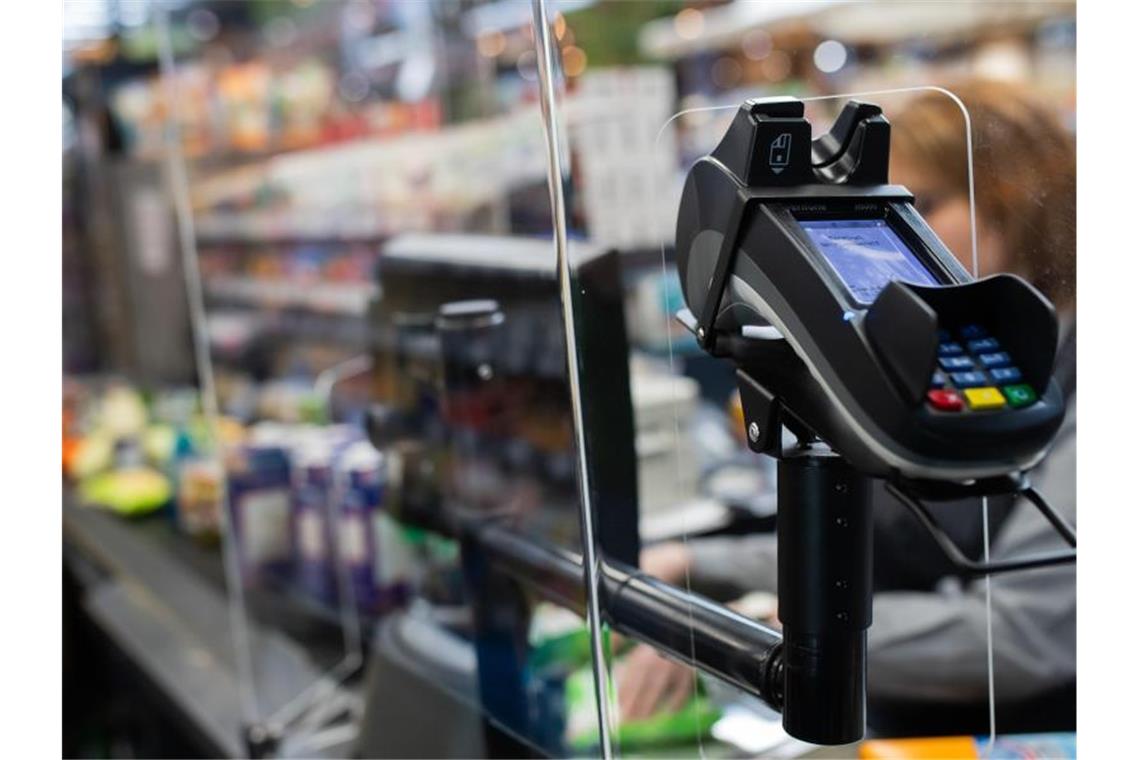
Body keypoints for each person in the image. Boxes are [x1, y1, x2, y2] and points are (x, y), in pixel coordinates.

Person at [618, 80, 1076, 736]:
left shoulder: (1084, 373)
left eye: (924, 205)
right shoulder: (915, 360)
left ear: (1011, 205)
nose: (895, 240)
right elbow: (870, 543)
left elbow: (1028, 630)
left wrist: (767, 630)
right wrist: (698, 565)